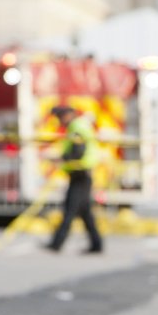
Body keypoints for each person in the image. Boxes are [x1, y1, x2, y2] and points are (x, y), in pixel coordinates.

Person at [45, 105, 103, 254]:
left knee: (69, 210)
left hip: (80, 174)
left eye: (60, 117)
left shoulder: (77, 127)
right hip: (80, 174)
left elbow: (78, 150)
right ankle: (96, 244)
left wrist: (62, 158)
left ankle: (56, 243)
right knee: (85, 213)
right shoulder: (78, 126)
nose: (59, 121)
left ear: (68, 115)